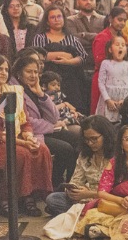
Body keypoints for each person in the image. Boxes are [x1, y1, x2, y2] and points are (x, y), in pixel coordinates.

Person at [0, 55, 55, 217]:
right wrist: (23, 144)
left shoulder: (14, 92)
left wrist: (29, 137)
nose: (3, 72)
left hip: (16, 137)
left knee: (41, 149)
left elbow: (25, 121)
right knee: (21, 154)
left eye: (6, 69)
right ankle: (6, 199)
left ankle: (30, 196)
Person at [12, 55, 81, 188]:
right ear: (19, 72)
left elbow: (54, 116)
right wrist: (51, 126)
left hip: (44, 128)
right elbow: (25, 120)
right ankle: (56, 183)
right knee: (65, 149)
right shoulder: (15, 89)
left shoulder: (34, 87)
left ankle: (73, 183)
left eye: (36, 72)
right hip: (30, 133)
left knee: (78, 138)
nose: (33, 75)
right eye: (29, 71)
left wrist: (41, 94)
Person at [45, 116, 115, 216]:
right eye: (87, 139)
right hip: (85, 200)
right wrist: (72, 191)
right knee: (53, 199)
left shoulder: (116, 157)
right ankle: (83, 214)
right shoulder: (85, 155)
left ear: (106, 135)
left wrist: (90, 194)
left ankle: (78, 214)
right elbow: (76, 180)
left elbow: (118, 191)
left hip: (108, 200)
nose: (90, 143)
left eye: (94, 139)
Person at [30, 5, 90, 113]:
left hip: (70, 82)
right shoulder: (40, 37)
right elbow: (37, 56)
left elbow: (83, 56)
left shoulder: (71, 38)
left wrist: (69, 61)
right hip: (48, 80)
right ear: (47, 21)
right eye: (53, 17)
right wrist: (63, 54)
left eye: (59, 16)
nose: (57, 19)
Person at [90, 7, 128, 108]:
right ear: (110, 19)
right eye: (119, 20)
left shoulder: (123, 38)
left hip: (120, 80)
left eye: (124, 20)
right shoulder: (102, 37)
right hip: (103, 78)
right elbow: (99, 61)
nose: (122, 23)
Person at [95, 37, 128, 122]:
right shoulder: (105, 63)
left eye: (123, 45)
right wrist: (107, 99)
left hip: (124, 100)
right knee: (105, 123)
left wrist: (125, 100)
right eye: (117, 44)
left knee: (123, 122)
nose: (120, 47)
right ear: (110, 49)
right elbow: (101, 83)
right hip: (108, 99)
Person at [41, 72, 82, 136]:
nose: (57, 87)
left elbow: (71, 108)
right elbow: (52, 108)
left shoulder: (58, 95)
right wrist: (64, 104)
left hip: (66, 115)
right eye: (53, 85)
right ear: (44, 86)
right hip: (59, 119)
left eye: (58, 85)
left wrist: (72, 111)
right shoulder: (46, 97)